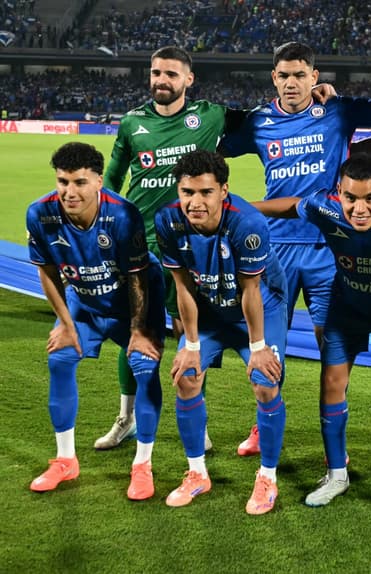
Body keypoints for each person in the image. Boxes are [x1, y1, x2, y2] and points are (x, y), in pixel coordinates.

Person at [219, 41, 371, 464]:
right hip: (275, 249)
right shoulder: (259, 122)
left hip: (328, 247)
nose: (292, 82)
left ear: (314, 77)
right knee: (268, 344)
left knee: (331, 345)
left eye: (300, 75)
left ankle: (333, 434)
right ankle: (262, 424)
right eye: (284, 75)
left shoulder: (338, 110)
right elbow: (215, 145)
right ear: (274, 78)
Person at [252, 155, 371, 514]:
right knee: (331, 383)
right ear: (339, 192)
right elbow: (292, 206)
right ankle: (336, 475)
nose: (359, 208)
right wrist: (246, 207)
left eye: (370, 198)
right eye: (350, 198)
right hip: (347, 310)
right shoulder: (326, 207)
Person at [101, 45, 244, 452]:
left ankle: (197, 422)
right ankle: (126, 418)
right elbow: (112, 178)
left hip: (191, 246)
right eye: (156, 73)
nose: (161, 80)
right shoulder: (132, 122)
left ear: (188, 80)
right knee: (137, 331)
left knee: (189, 333)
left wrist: (316, 92)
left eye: (171, 74)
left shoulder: (211, 116)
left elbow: (265, 118)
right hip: (140, 245)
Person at [27, 142, 165, 500]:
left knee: (144, 366)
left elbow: (137, 276)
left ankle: (143, 465)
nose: (69, 192)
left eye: (80, 182)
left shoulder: (123, 215)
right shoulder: (39, 214)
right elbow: (47, 272)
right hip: (84, 302)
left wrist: (138, 331)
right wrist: (65, 323)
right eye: (63, 182)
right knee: (59, 358)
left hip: (133, 301)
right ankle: (65, 460)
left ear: (99, 181)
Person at [154, 150, 288, 515]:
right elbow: (183, 286)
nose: (195, 202)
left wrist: (258, 347)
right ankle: (197, 473)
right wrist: (191, 344)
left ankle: (268, 477)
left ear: (223, 190)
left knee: (265, 382)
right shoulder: (167, 220)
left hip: (259, 308)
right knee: (186, 377)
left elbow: (251, 290)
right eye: (187, 192)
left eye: (205, 192)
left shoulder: (248, 224)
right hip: (211, 309)